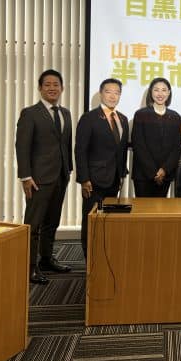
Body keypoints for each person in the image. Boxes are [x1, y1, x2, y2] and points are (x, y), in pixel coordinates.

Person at [15, 69, 73, 284]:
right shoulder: (30, 113)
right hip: (38, 179)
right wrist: (25, 177)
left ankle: (47, 259)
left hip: (60, 176)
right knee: (34, 224)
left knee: (52, 222)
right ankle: (29, 267)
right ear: (40, 88)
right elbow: (22, 147)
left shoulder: (65, 113)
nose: (52, 88)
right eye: (47, 84)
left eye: (56, 84)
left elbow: (66, 144)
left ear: (62, 88)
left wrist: (68, 170)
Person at [75, 78, 129, 259]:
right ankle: (89, 259)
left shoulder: (122, 119)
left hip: (114, 179)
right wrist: (84, 179)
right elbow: (80, 150)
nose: (113, 96)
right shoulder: (89, 118)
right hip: (93, 180)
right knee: (91, 219)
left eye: (117, 93)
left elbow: (121, 150)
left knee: (107, 219)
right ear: (100, 93)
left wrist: (121, 174)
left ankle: (105, 257)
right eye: (108, 92)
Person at [131, 77, 181, 197]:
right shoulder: (141, 114)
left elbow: (177, 147)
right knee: (143, 208)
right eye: (156, 90)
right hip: (143, 175)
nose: (160, 94)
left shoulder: (175, 117)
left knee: (160, 208)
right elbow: (138, 145)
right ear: (151, 92)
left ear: (169, 93)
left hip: (165, 175)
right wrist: (154, 172)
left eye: (164, 90)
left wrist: (164, 170)